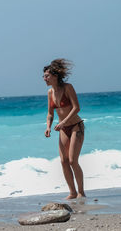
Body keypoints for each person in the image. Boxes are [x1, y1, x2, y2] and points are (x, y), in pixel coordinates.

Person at [43, 59, 86, 199]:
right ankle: (72, 192)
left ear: (55, 76)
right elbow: (50, 113)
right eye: (43, 76)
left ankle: (81, 192)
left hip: (75, 126)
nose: (45, 78)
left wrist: (63, 122)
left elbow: (76, 108)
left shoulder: (68, 87)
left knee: (73, 160)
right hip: (63, 128)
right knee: (63, 161)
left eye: (47, 76)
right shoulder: (50, 93)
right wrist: (48, 127)